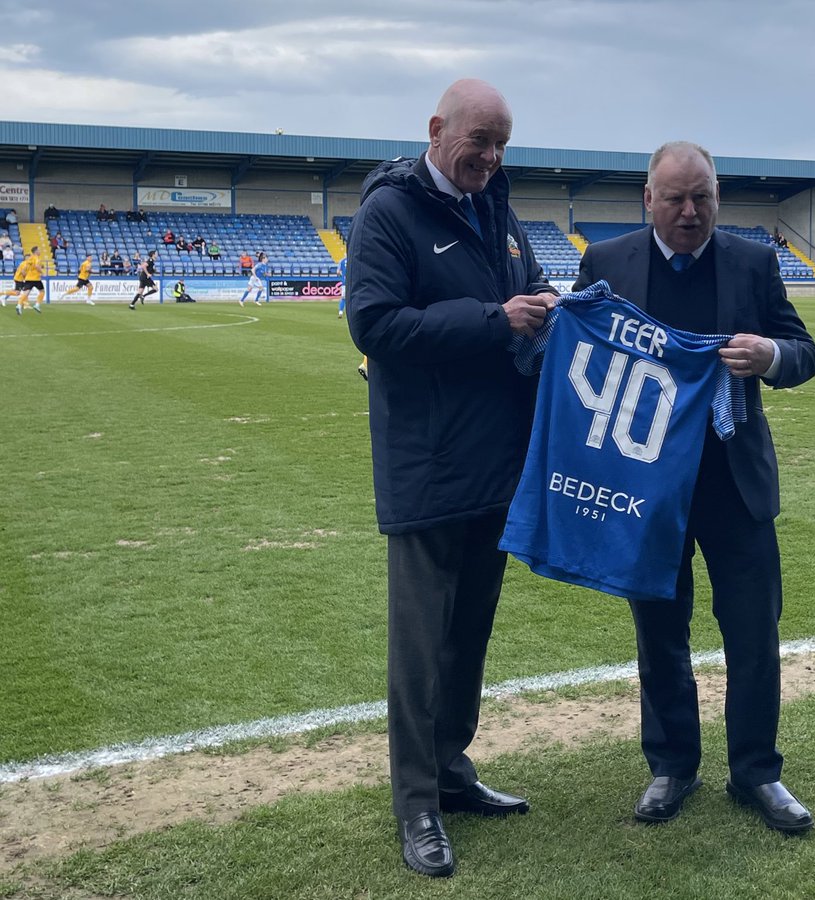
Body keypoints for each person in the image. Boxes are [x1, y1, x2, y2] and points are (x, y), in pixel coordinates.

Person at [570, 141, 815, 835]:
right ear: (646, 199)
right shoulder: (606, 263)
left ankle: (757, 773)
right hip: (646, 487)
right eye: (675, 198)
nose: (690, 211)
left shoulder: (753, 262)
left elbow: (805, 351)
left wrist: (772, 356)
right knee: (659, 631)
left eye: (702, 197)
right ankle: (673, 764)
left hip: (733, 481)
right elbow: (581, 361)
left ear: (718, 197)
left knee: (752, 632)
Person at [344, 78, 556, 879]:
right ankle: (416, 804)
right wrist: (493, 319)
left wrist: (546, 309)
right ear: (437, 130)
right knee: (421, 649)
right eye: (480, 142)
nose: (492, 157)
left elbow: (522, 297)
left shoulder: (497, 208)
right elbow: (374, 323)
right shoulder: (389, 214)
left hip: (495, 466)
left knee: (468, 640)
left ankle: (453, 773)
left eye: (503, 144)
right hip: (427, 467)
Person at [9, 246, 45, 314]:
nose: (40, 251)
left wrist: (27, 275)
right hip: (36, 279)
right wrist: (42, 273)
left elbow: (24, 269)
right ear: (36, 251)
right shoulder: (36, 258)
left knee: (26, 293)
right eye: (39, 250)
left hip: (28, 278)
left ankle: (19, 305)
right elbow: (37, 266)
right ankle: (37, 305)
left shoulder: (30, 258)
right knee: (42, 291)